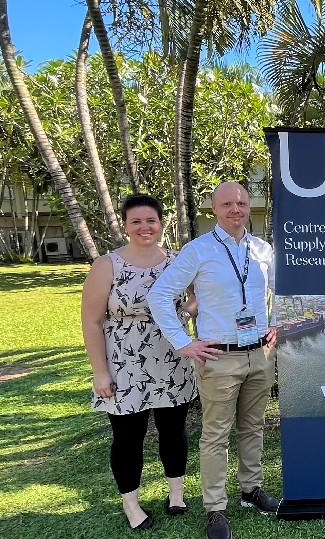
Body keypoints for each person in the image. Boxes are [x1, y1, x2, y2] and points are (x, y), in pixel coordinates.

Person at [148, 182, 278, 539]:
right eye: (227, 204)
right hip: (219, 357)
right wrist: (183, 342)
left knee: (253, 427)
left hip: (260, 354)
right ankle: (215, 509)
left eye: (240, 202)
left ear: (248, 205)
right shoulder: (198, 250)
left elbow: (279, 292)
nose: (235, 209)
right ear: (214, 209)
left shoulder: (263, 249)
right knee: (215, 435)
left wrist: (278, 324)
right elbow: (159, 295)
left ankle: (252, 490)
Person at [81, 194, 198, 530]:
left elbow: (198, 296)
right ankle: (131, 504)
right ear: (126, 225)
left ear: (162, 223)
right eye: (137, 221)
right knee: (128, 436)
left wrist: (183, 313)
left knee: (173, 431)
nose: (145, 227)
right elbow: (91, 321)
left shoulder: (178, 261)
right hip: (124, 362)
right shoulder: (108, 265)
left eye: (151, 220)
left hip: (171, 358)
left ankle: (176, 492)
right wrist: (100, 372)